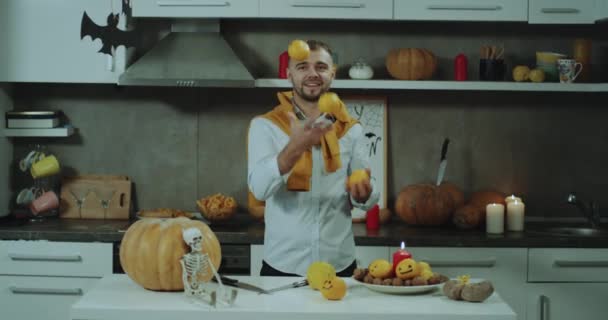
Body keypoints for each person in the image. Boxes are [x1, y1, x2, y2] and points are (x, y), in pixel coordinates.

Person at [247, 40, 380, 277]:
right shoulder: (265, 126)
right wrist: (295, 147)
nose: (312, 74)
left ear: (332, 73)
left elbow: (365, 194)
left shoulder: (351, 129)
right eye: (302, 67)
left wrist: (364, 193)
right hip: (283, 266)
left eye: (320, 67)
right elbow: (259, 189)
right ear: (289, 75)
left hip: (340, 265)